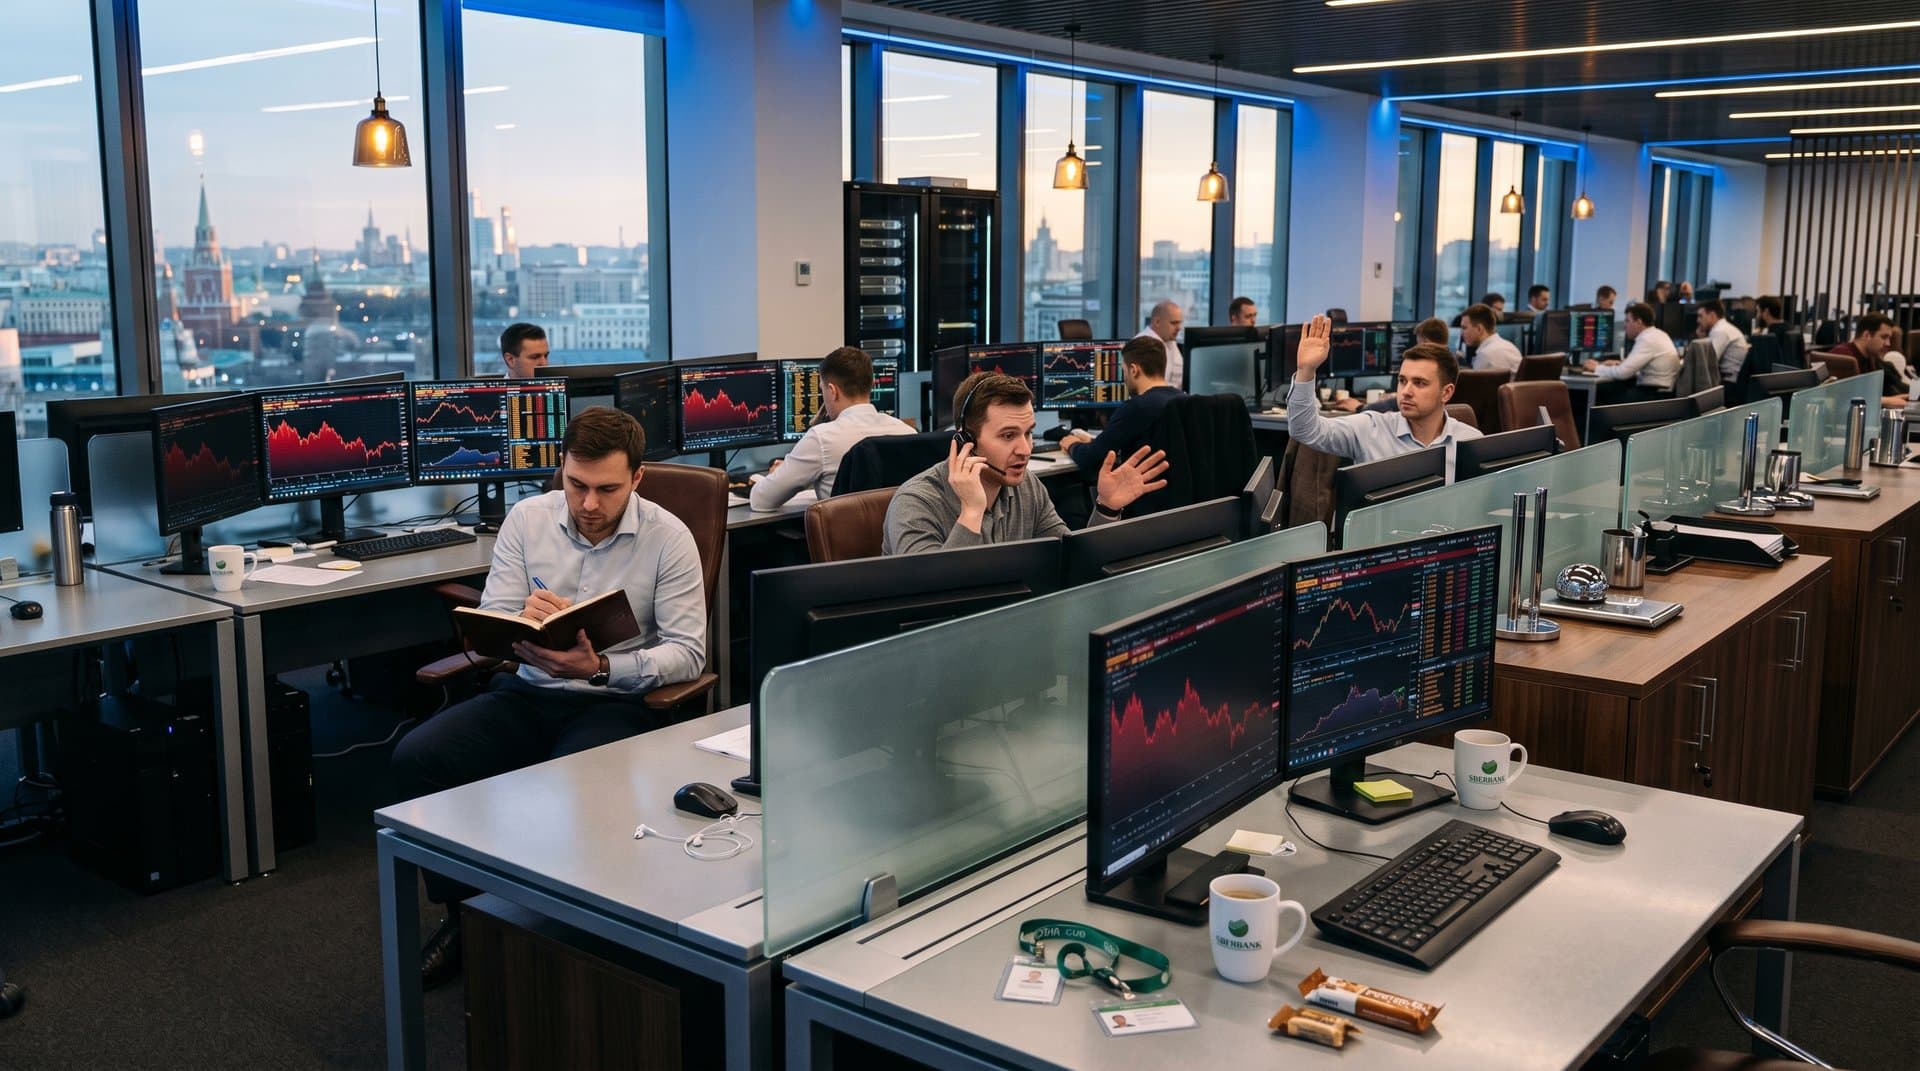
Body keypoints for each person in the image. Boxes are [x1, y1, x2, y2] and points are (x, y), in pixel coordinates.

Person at [390, 406, 706, 989]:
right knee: (419, 755)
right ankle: (464, 915)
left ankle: (564, 935)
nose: (588, 504)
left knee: (571, 785)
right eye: (575, 484)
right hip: (527, 690)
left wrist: (604, 666)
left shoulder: (668, 538)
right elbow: (493, 615)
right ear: (560, 469)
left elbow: (688, 653)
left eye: (606, 489)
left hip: (614, 702)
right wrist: (517, 620)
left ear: (637, 479)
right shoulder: (527, 519)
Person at [882, 372, 1167, 554]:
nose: (1025, 449)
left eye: (1028, 433)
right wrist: (971, 512)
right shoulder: (915, 502)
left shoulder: (1027, 487)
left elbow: (1070, 563)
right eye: (1008, 436)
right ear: (964, 440)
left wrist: (1106, 507)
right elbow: (936, 596)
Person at [1285, 316, 1482, 482]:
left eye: (1420, 383)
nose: (1406, 391)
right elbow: (1304, 430)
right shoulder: (1370, 429)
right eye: (1402, 381)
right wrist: (1306, 370)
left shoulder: (1470, 442)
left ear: (1446, 393)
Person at [748, 346, 915, 510]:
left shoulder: (821, 438)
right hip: (895, 536)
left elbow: (761, 501)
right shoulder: (907, 433)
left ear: (832, 391)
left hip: (849, 536)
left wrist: (775, 476)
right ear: (871, 385)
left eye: (822, 391)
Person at [1060, 336, 1184, 475]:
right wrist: (1095, 441)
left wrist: (1071, 444)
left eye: (1123, 371)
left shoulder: (1137, 407)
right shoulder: (1183, 399)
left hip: (1141, 492)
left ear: (1133, 370)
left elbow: (1089, 458)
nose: (1124, 378)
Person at [1583, 303, 1679, 402]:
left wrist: (1596, 368)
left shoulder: (1647, 339)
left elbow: (1623, 373)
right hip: (1661, 392)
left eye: (1628, 321)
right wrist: (1622, 364)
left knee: (1600, 396)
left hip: (1654, 394)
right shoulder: (1657, 334)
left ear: (1638, 322)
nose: (1625, 326)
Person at [1829, 312, 1910, 403]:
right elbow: (1845, 398)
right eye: (1884, 337)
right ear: (1867, 335)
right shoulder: (1843, 356)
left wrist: (1900, 398)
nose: (1888, 344)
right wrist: (1887, 401)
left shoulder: (1871, 357)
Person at [1461, 303, 1521, 376]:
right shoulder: (1511, 347)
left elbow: (1475, 386)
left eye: (1464, 328)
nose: (1462, 333)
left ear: (1479, 329)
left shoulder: (1485, 354)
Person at [1136, 299, 1185, 389]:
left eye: (1180, 323)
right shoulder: (1142, 345)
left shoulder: (1170, 341)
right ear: (1157, 322)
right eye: (1174, 323)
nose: (1179, 328)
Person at [1698, 300, 1750, 384]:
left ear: (1712, 315)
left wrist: (1700, 340)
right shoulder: (1724, 327)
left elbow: (1706, 361)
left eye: (1701, 316)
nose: (1698, 320)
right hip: (1734, 380)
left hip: (1729, 383)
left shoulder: (1720, 331)